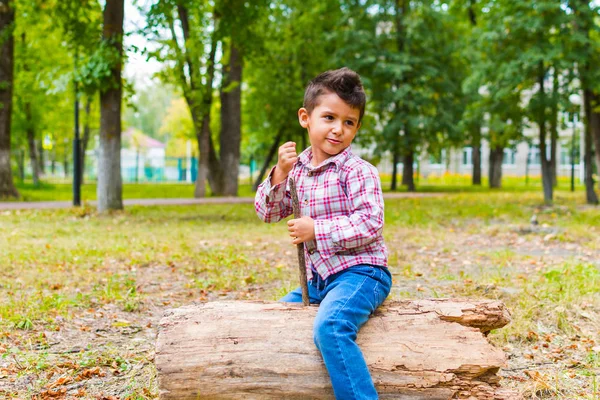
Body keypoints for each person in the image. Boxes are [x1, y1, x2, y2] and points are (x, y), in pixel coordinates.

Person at [254, 67, 391, 400]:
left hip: (363, 274)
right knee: (274, 320)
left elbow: (370, 222)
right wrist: (279, 174)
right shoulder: (297, 169)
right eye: (329, 117)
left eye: (349, 122)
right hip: (319, 282)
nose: (338, 129)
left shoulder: (358, 171)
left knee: (331, 328)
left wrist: (318, 229)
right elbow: (267, 212)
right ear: (306, 117)